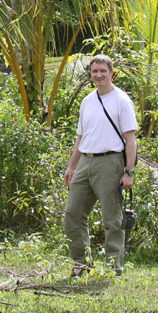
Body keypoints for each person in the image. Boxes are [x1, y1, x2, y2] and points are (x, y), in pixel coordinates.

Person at [63, 54, 137, 276]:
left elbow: (130, 139)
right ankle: (81, 264)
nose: (98, 75)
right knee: (73, 213)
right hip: (86, 161)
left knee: (111, 218)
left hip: (110, 162)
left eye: (103, 71)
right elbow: (80, 137)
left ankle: (114, 268)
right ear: (90, 74)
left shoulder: (122, 100)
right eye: (95, 71)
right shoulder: (87, 101)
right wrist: (71, 166)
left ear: (111, 73)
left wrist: (129, 172)